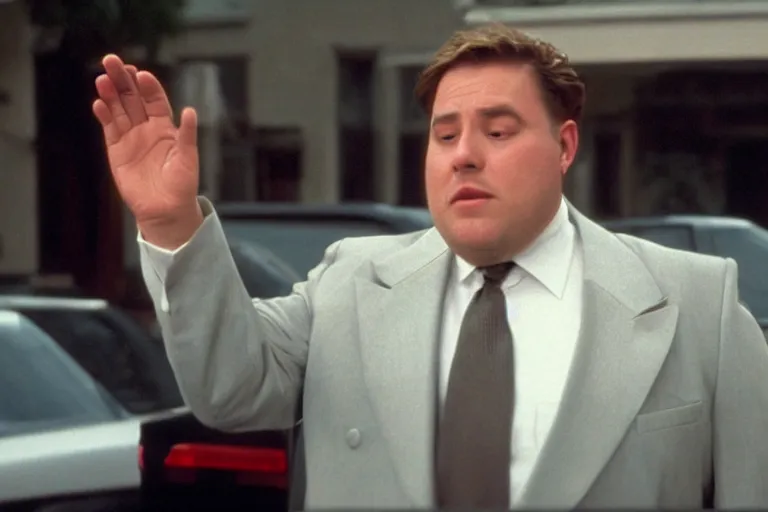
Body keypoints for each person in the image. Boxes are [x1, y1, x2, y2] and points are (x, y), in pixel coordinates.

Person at [93, 23, 768, 510]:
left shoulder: (697, 302)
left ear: (565, 146)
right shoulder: (349, 283)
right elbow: (227, 388)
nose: (463, 155)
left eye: (497, 132)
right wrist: (168, 221)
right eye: (445, 134)